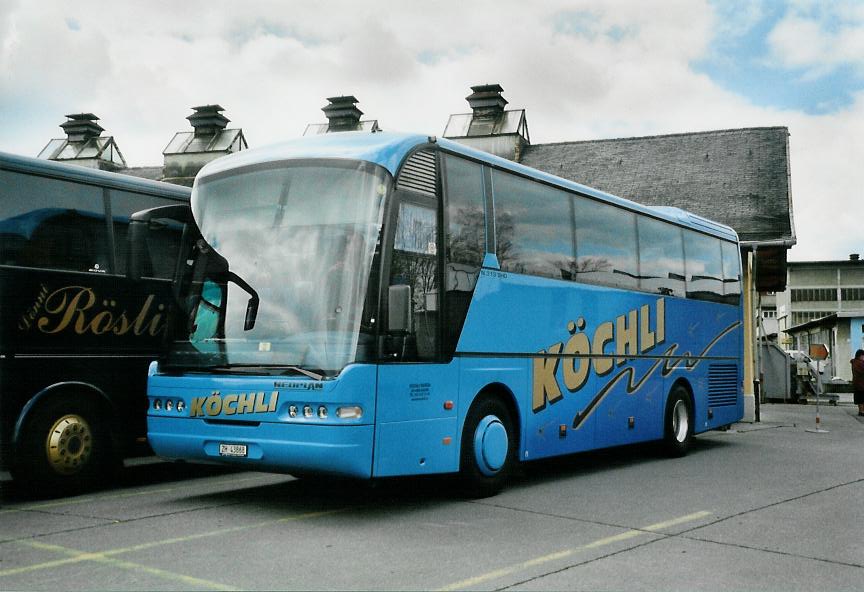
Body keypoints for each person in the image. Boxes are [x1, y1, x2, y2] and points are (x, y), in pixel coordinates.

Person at [851, 349, 864, 416]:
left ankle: (861, 411)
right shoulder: (859, 363)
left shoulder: (855, 362)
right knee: (861, 398)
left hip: (857, 383)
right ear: (860, 356)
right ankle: (862, 411)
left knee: (860, 398)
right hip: (861, 384)